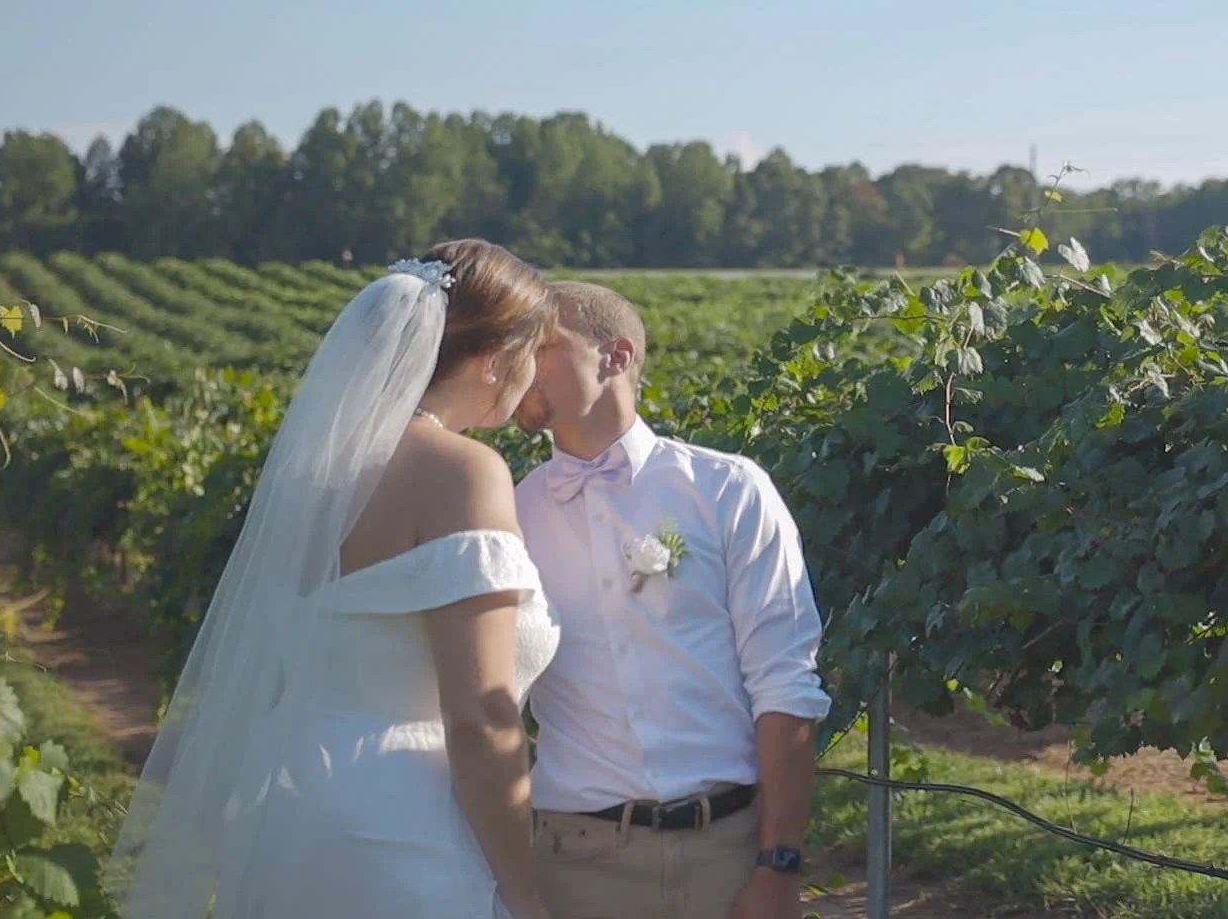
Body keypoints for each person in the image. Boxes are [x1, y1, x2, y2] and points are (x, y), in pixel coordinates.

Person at [110, 239, 563, 919]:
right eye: (531, 356)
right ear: (495, 361)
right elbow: (477, 716)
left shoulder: (311, 477)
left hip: (289, 802)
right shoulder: (464, 473)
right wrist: (527, 888)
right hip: (408, 822)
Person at [513, 281, 832, 919]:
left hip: (731, 857)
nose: (519, 363)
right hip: (572, 864)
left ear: (617, 356)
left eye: (541, 345)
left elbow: (785, 685)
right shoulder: (509, 511)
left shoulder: (728, 490)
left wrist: (779, 865)